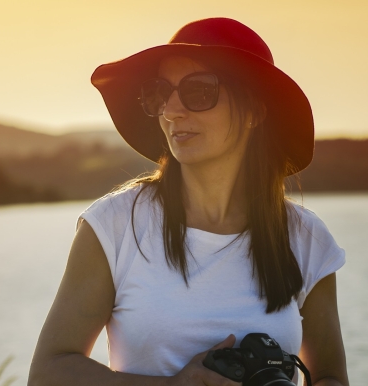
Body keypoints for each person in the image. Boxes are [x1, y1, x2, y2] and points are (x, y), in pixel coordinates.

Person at [28, 18, 349, 386]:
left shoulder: (307, 239)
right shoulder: (114, 226)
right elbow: (47, 373)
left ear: (256, 109)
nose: (172, 110)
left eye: (198, 92)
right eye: (160, 92)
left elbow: (330, 377)